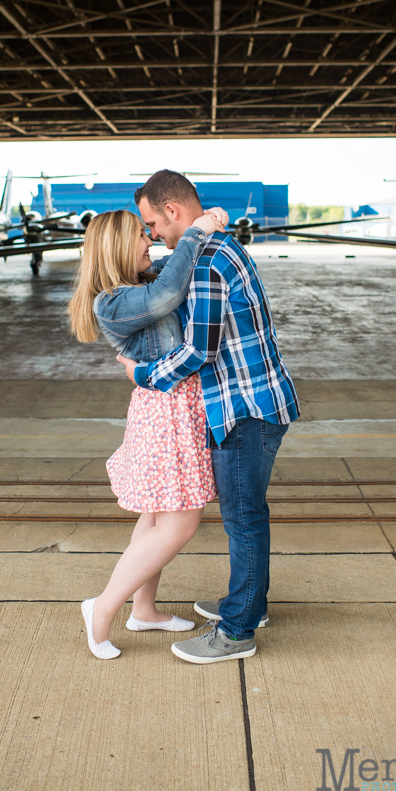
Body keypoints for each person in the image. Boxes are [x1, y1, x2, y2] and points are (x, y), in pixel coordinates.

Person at [117, 169, 300, 665]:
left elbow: (200, 350)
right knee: (246, 515)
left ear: (172, 212)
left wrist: (142, 375)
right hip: (256, 402)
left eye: (151, 222)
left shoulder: (203, 262)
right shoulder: (220, 246)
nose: (151, 233)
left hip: (246, 409)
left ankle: (238, 631)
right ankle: (248, 605)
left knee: (243, 519)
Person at [68, 205, 229, 659]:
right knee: (179, 521)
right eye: (141, 235)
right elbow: (171, 288)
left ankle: (144, 609)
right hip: (166, 414)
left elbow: (174, 267)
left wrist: (203, 226)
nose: (150, 240)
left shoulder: (136, 283)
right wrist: (197, 230)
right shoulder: (113, 302)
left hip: (175, 407)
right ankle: (102, 608)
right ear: (118, 246)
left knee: (158, 515)